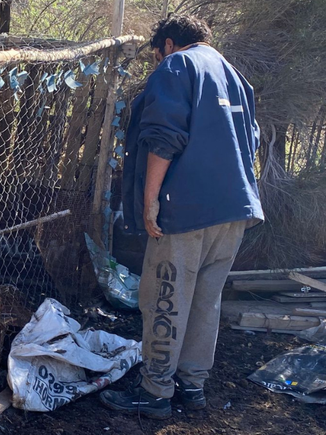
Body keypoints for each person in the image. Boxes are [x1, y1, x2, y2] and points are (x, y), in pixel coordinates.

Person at [100, 14, 264, 420]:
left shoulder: (177, 66)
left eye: (158, 53)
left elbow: (164, 136)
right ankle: (192, 387)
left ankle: (155, 392)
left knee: (165, 298)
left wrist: (151, 200)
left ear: (169, 44)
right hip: (235, 210)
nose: (159, 60)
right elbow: (252, 139)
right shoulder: (235, 77)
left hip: (186, 208)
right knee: (206, 301)